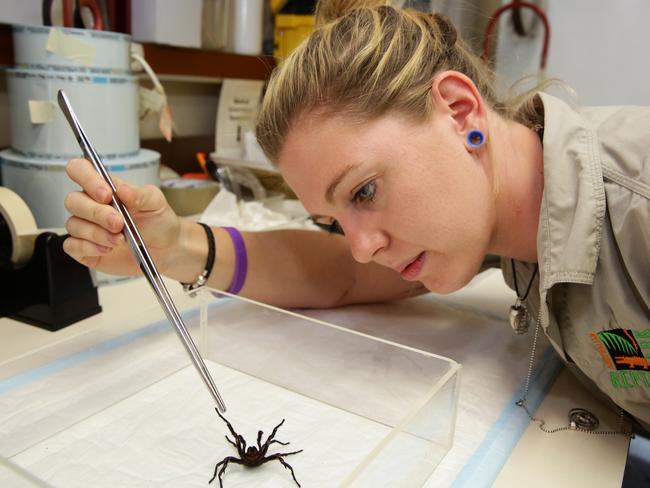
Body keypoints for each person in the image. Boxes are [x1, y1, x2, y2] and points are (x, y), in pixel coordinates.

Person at [63, 0, 650, 432]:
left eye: (365, 191)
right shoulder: (501, 211)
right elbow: (340, 275)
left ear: (456, 108)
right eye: (337, 220)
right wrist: (176, 246)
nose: (363, 246)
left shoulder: (635, 214)